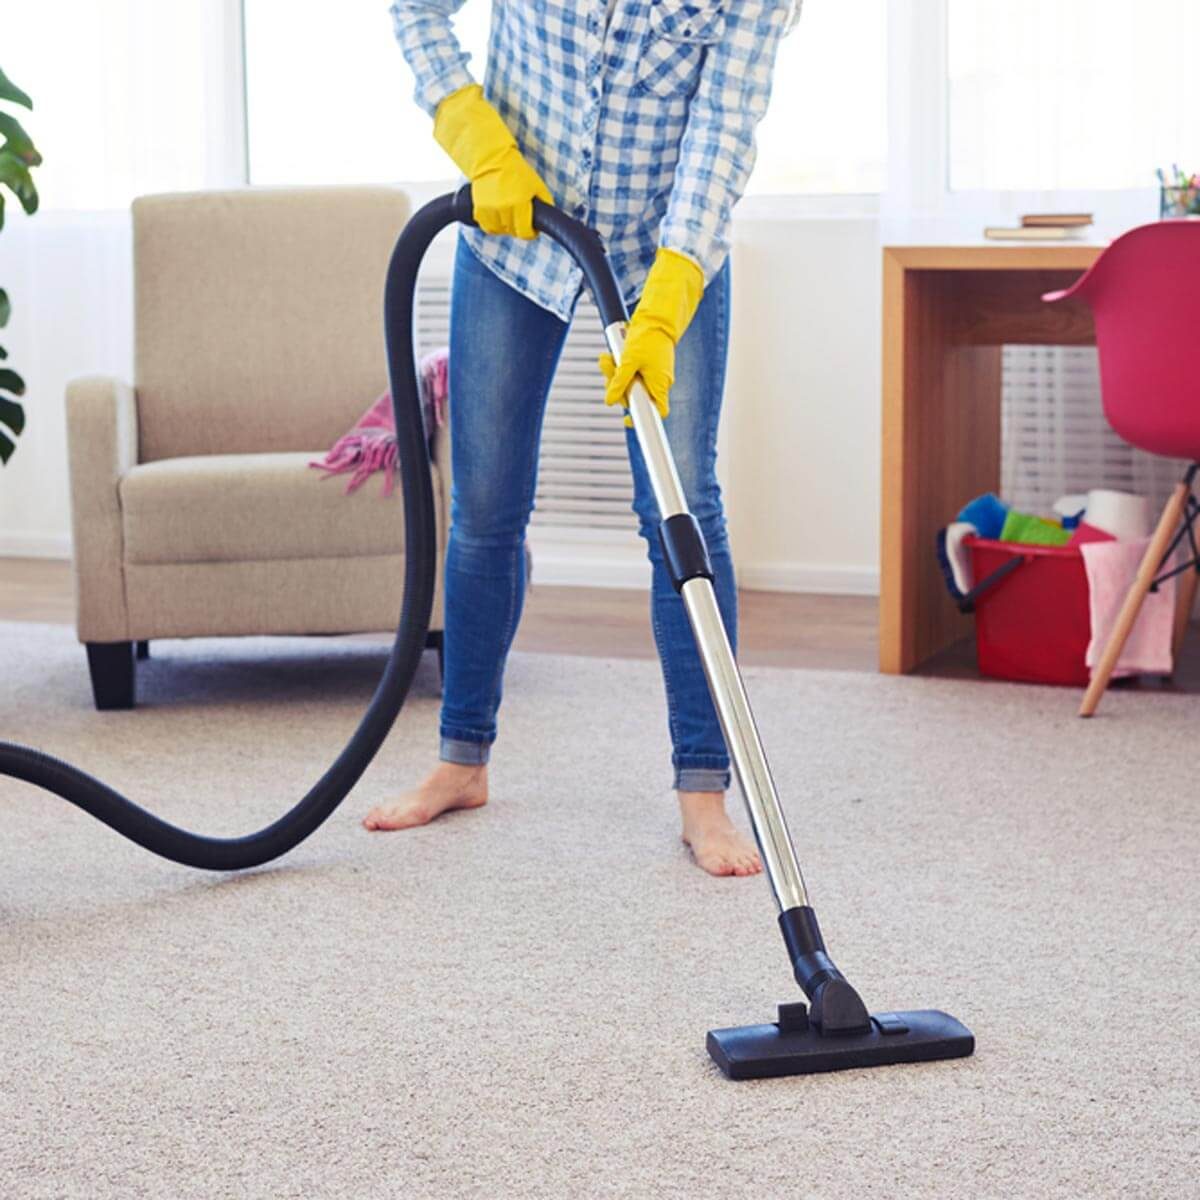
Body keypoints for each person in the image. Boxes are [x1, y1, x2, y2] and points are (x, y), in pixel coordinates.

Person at [365, 1, 798, 876]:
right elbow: (415, 10)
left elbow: (724, 124)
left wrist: (672, 294)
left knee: (681, 510)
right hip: (512, 235)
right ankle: (462, 760)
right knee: (486, 508)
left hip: (663, 254)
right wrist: (475, 137)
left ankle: (703, 795)